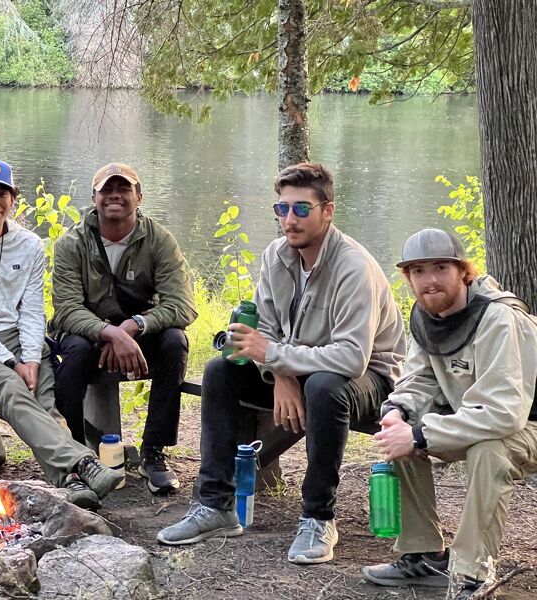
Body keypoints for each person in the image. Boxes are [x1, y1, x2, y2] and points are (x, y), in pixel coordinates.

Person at [157, 162, 406, 564]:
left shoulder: (353, 268)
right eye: (282, 208)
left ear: (328, 211)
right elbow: (265, 332)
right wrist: (281, 376)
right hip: (299, 368)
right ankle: (215, 505)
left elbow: (351, 357)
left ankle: (318, 517)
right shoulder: (276, 256)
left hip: (370, 377)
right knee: (221, 370)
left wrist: (276, 359)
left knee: (325, 386)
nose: (289, 220)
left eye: (302, 209)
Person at [0, 158, 123, 510]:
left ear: (13, 198)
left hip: (19, 341)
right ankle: (82, 461)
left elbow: (32, 310)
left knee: (46, 404)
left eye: (1, 194)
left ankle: (71, 483)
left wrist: (31, 357)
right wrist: (10, 362)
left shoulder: (29, 245)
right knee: (11, 387)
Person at [362, 229, 537, 599]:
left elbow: (505, 414)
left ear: (464, 272)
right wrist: (396, 412)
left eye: (441, 267)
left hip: (525, 423)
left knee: (490, 450)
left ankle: (473, 571)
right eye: (419, 271)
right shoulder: (428, 314)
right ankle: (423, 555)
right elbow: (418, 380)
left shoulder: (498, 317)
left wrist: (423, 435)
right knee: (402, 433)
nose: (430, 280)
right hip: (482, 418)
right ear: (408, 278)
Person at [50, 162, 197, 494]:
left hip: (140, 336)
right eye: (106, 190)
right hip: (89, 336)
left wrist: (133, 326)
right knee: (72, 352)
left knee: (176, 341)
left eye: (124, 189)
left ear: (139, 197)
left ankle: (153, 454)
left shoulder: (159, 240)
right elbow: (67, 309)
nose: (114, 195)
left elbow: (183, 306)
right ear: (94, 198)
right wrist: (109, 332)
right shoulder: (70, 244)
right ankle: (75, 459)